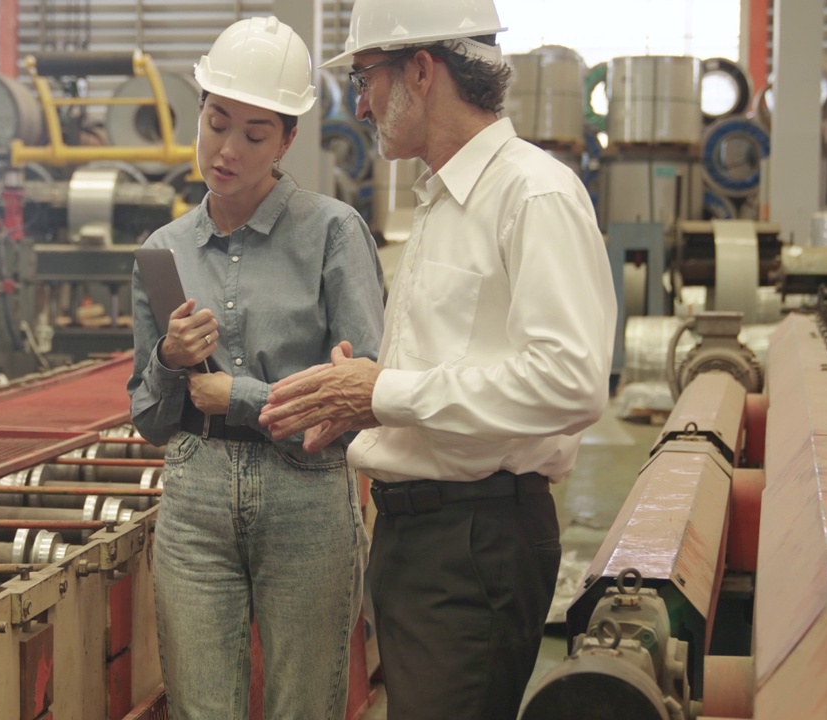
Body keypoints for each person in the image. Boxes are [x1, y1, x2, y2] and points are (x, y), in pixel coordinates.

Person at [258, 1, 617, 718]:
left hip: (475, 539)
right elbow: (453, 366)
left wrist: (386, 394)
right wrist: (359, 407)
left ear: (421, 71)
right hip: (422, 535)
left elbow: (571, 381)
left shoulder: (531, 193)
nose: (359, 104)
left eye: (366, 78)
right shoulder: (442, 201)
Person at [126, 15, 386, 720]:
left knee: (304, 705)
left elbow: (359, 400)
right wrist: (167, 360)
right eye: (216, 122)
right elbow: (149, 420)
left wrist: (234, 395)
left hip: (305, 496)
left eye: (254, 133)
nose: (227, 149)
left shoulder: (334, 234)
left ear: (289, 139)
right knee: (201, 708)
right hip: (194, 499)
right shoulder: (164, 249)